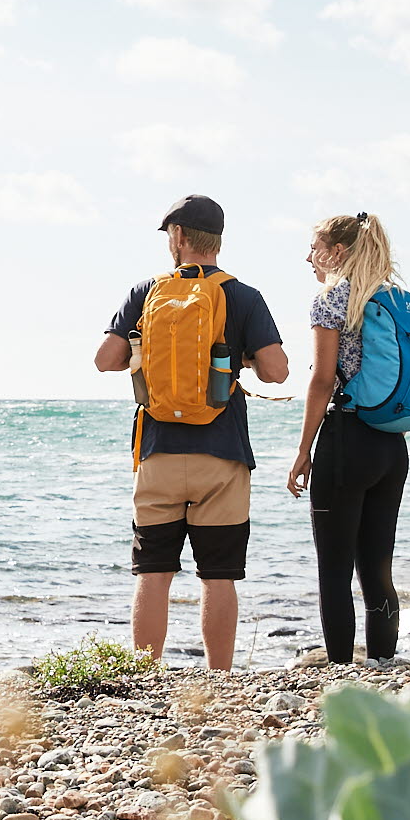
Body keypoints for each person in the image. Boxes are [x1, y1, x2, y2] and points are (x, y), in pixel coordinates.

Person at [93, 194, 289, 671]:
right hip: (222, 456)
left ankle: (146, 673)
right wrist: (239, 358)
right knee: (218, 575)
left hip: (158, 453)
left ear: (178, 236)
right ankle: (219, 677)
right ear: (217, 239)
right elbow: (277, 371)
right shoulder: (243, 296)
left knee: (153, 571)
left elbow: (105, 361)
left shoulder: (146, 292)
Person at [285, 210, 409, 664]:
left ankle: (339, 670)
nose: (309, 258)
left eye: (314, 248)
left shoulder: (332, 299)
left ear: (337, 251)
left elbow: (322, 380)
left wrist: (304, 450)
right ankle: (384, 663)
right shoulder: (396, 297)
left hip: (346, 442)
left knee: (334, 570)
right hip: (391, 444)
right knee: (378, 566)